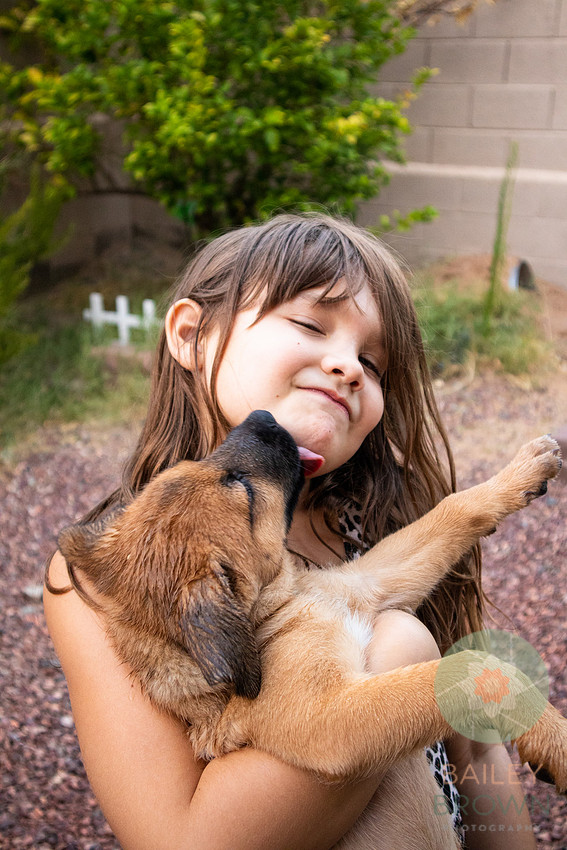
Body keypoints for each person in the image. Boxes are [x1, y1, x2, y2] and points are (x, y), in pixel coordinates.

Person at [44, 213, 536, 850]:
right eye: (310, 324)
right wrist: (400, 652)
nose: (350, 367)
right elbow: (180, 840)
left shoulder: (384, 512)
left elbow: (475, 743)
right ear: (191, 335)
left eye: (374, 364)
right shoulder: (110, 576)